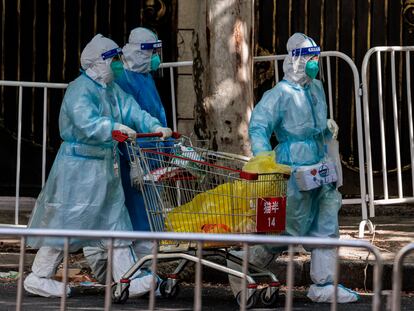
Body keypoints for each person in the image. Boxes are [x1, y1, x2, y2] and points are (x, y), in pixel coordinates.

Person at [23, 34, 172, 298]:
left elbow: (134, 111)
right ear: (97, 63)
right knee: (65, 224)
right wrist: (112, 128)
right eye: (113, 59)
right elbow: (84, 122)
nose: (117, 64)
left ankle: (127, 279)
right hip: (78, 170)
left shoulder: (112, 90)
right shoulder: (79, 89)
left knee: (116, 224)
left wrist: (154, 126)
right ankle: (38, 276)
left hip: (106, 169)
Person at [230, 33, 359, 303]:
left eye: (316, 57)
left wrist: (326, 128)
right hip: (292, 167)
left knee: (326, 223)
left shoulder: (316, 88)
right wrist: (265, 161)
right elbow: (259, 126)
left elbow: (316, 123)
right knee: (287, 228)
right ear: (296, 59)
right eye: (309, 57)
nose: (314, 63)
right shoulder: (280, 94)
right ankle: (242, 267)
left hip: (321, 164)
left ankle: (324, 284)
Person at [83, 27, 169, 283]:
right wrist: (134, 160)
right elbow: (119, 124)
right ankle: (133, 272)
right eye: (152, 52)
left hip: (147, 158)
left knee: (143, 216)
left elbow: (141, 115)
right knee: (133, 217)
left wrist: (161, 134)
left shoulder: (142, 79)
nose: (155, 57)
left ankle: (138, 271)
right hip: (131, 160)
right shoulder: (116, 83)